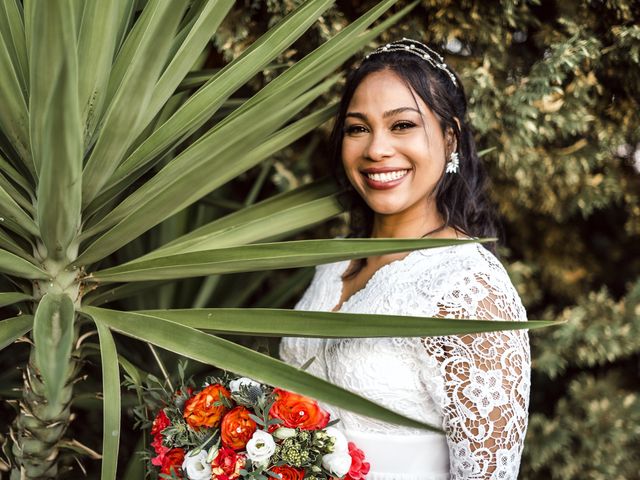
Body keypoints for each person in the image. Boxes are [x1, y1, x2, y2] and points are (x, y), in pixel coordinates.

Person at [279, 38, 530, 480]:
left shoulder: (469, 292)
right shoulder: (330, 267)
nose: (376, 149)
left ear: (449, 137)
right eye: (358, 128)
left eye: (401, 125)